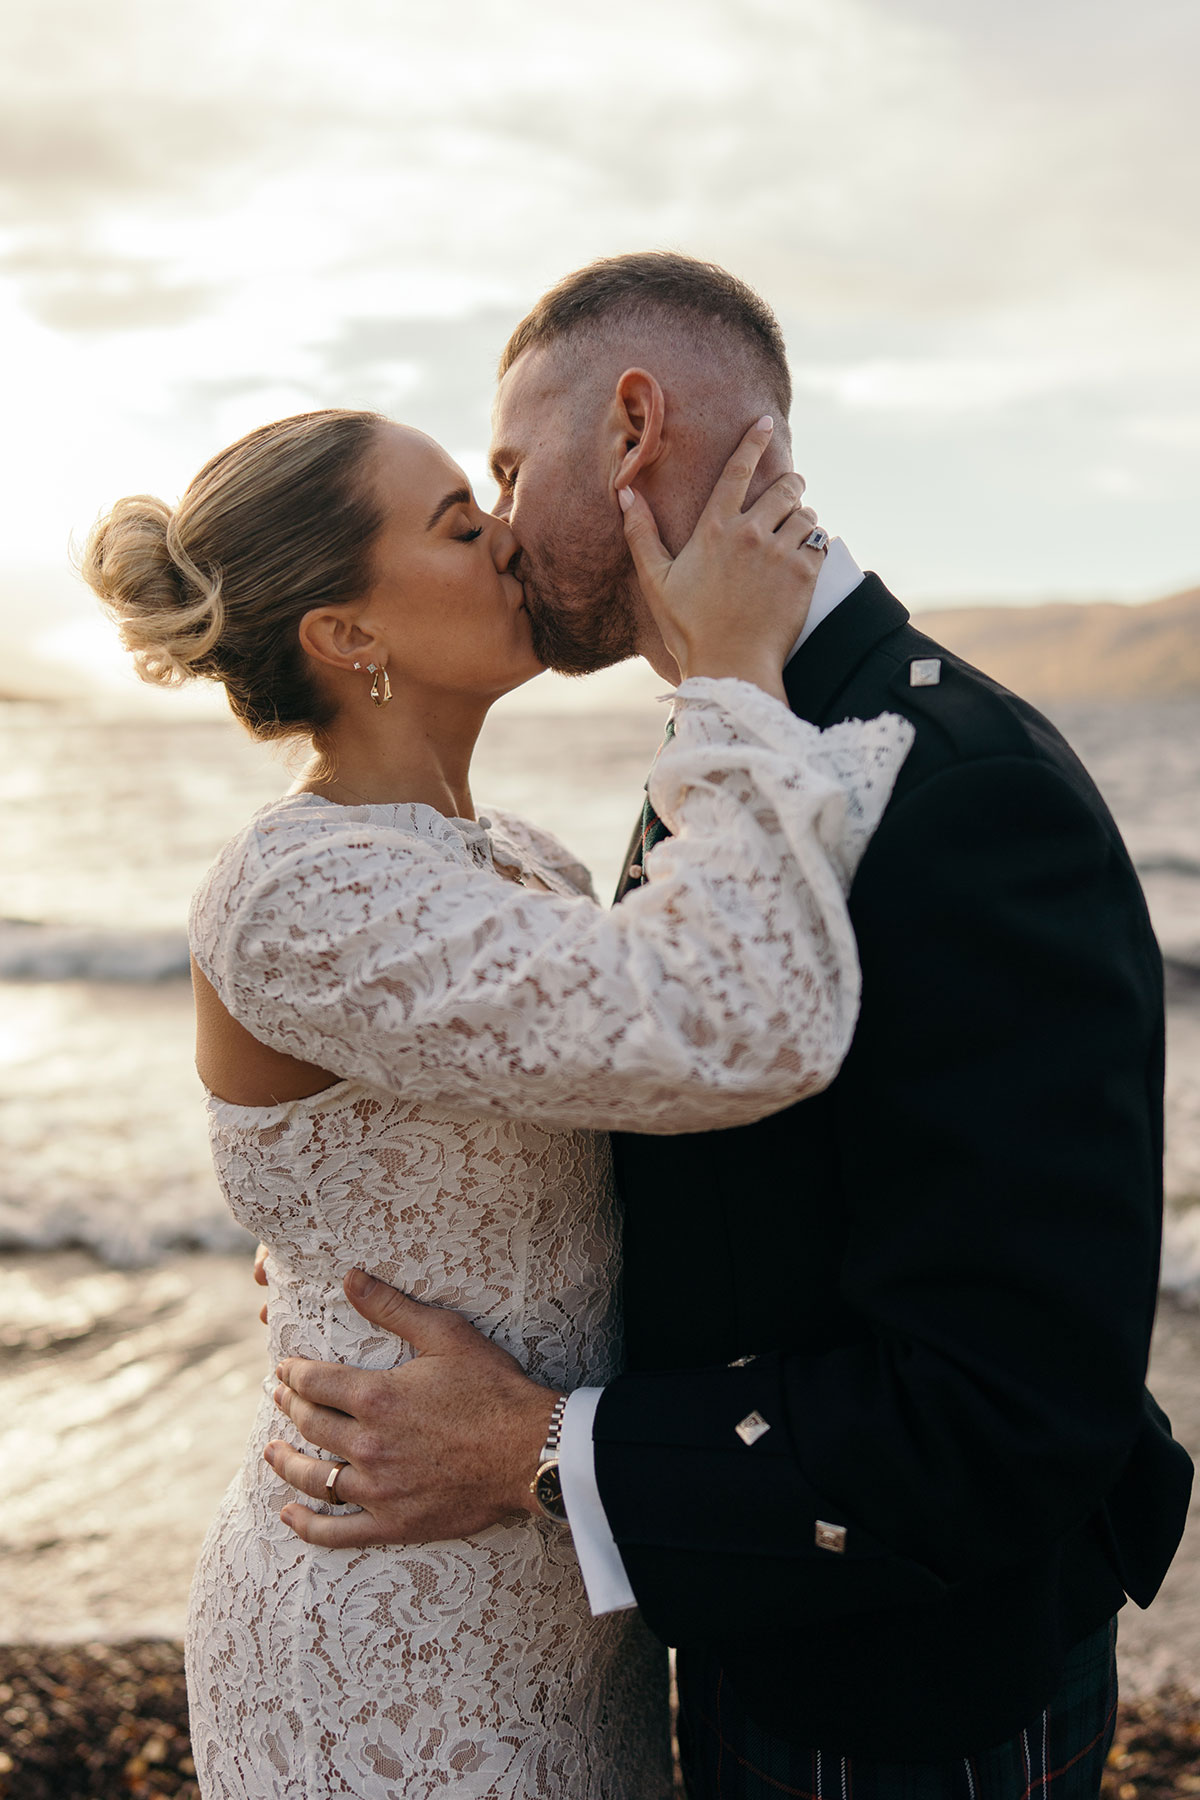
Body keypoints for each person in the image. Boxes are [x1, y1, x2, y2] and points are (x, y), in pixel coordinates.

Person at [264, 254, 1194, 1798]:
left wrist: (544, 1452)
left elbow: (1011, 1398)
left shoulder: (964, 791)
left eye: (506, 467)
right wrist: (356, 1207)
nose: (495, 524)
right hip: (759, 1624)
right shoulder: (754, 725)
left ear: (632, 424)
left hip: (909, 1696)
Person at [83, 403, 913, 1798]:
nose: (511, 541)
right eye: (462, 524)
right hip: (383, 1623)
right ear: (349, 636)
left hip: (562, 1583)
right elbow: (734, 1021)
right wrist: (735, 669)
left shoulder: (521, 860)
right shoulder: (296, 889)